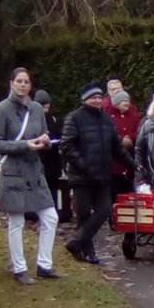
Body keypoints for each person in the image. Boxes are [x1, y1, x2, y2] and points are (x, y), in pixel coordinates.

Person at [0, 68, 63, 284]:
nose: (22, 85)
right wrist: (24, 144)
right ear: (11, 83)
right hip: (13, 171)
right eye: (19, 81)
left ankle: (44, 265)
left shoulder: (37, 109)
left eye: (26, 81)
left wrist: (45, 142)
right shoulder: (0, 110)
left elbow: (43, 136)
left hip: (34, 170)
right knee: (17, 221)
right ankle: (19, 268)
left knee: (50, 217)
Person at [60, 82, 135, 264]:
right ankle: (88, 252)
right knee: (83, 214)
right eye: (93, 97)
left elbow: (117, 147)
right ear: (85, 99)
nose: (97, 100)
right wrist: (82, 164)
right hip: (82, 177)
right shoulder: (75, 118)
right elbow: (67, 146)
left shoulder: (106, 119)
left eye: (99, 97)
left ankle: (76, 242)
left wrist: (134, 164)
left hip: (102, 175)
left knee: (105, 210)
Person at [33, 89, 64, 217]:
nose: (47, 108)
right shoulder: (35, 119)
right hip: (42, 159)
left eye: (47, 105)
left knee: (52, 187)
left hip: (53, 159)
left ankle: (52, 211)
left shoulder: (52, 118)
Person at [107, 89, 140, 200]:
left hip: (130, 157)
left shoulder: (133, 115)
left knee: (128, 190)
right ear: (116, 103)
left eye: (128, 100)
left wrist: (130, 137)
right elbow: (107, 132)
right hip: (114, 160)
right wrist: (121, 139)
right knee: (114, 190)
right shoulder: (108, 116)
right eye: (123, 101)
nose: (127, 103)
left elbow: (138, 130)